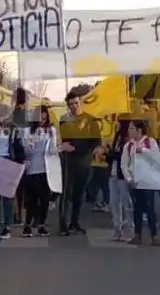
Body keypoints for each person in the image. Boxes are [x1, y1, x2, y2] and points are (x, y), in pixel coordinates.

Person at [58, 91, 100, 235]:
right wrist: (66, 146)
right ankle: (64, 224)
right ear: (68, 106)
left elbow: (95, 142)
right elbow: (64, 140)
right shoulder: (64, 120)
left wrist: (78, 148)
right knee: (67, 194)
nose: (74, 106)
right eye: (71, 104)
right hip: (69, 162)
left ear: (80, 102)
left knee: (79, 194)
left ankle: (75, 222)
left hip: (85, 162)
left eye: (76, 103)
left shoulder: (91, 120)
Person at [120, 121, 160, 246]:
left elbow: (157, 157)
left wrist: (143, 150)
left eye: (132, 128)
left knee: (150, 209)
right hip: (135, 182)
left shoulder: (150, 142)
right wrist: (129, 179)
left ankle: (154, 235)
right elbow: (124, 164)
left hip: (148, 181)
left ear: (139, 130)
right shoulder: (128, 145)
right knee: (137, 209)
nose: (129, 131)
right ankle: (137, 234)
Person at [20, 105, 57, 237]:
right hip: (31, 169)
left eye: (44, 118)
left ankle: (41, 224)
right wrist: (31, 144)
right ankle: (28, 224)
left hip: (46, 169)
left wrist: (57, 147)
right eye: (40, 118)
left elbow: (53, 150)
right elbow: (27, 152)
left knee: (45, 198)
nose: (42, 120)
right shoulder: (27, 131)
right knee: (31, 199)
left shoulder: (51, 130)